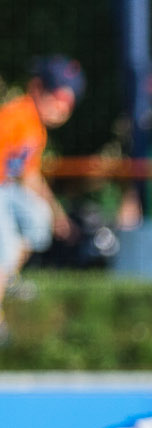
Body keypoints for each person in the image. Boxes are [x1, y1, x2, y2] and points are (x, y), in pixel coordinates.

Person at [0, 57, 82, 347]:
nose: (61, 109)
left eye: (68, 103)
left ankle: (8, 277)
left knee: (38, 220)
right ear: (36, 87)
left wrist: (57, 214)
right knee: (6, 246)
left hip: (7, 189)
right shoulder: (16, 115)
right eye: (56, 98)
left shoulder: (37, 129)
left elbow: (30, 176)